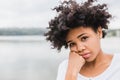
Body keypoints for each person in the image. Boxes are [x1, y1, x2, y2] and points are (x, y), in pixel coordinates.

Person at [44, 0, 120, 80]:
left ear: (99, 32)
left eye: (84, 38)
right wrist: (72, 72)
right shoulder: (65, 67)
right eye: (72, 44)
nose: (80, 48)